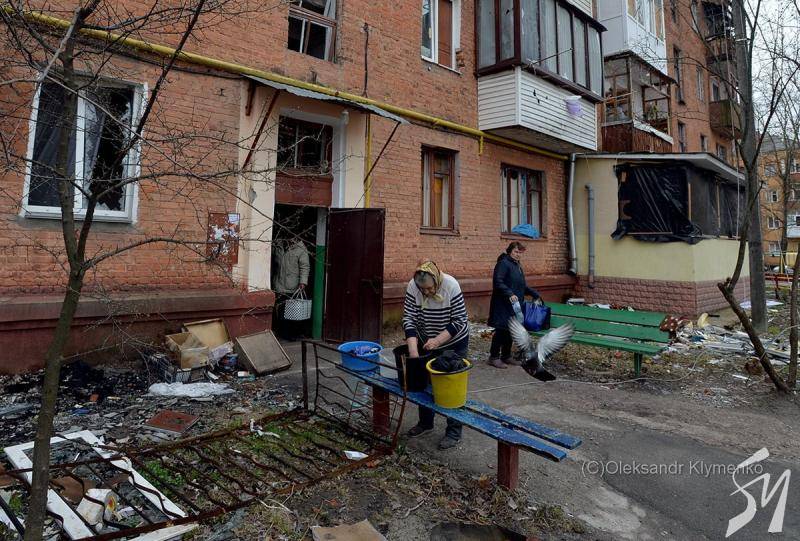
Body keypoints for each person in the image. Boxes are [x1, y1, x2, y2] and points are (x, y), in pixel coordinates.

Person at [402, 260, 469, 450]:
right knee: (424, 382)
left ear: (437, 280)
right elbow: (409, 319)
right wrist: (414, 352)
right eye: (422, 289)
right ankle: (425, 423)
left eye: (430, 288)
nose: (427, 292)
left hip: (454, 341)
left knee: (451, 385)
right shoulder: (413, 286)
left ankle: (453, 432)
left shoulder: (451, 286)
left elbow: (460, 320)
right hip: (426, 339)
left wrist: (438, 341)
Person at [487, 241, 540, 368]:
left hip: (514, 305)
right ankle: (493, 357)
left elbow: (521, 285)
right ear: (510, 251)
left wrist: (534, 293)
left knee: (510, 330)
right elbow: (498, 282)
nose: (518, 254)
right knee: (501, 331)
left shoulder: (517, 265)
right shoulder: (503, 264)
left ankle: (506, 356)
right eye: (516, 252)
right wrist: (509, 293)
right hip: (502, 304)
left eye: (520, 252)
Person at [272, 230, 310, 340]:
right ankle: (282, 333)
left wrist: (303, 282)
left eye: (293, 237)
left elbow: (305, 267)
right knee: (280, 312)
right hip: (278, 284)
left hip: (292, 286)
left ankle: (292, 335)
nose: (290, 239)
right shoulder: (278, 245)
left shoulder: (301, 249)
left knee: (291, 313)